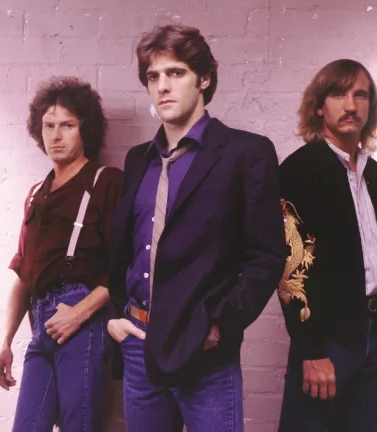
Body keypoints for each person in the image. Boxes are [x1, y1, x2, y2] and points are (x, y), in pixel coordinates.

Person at [106, 24, 286, 432]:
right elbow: (123, 249)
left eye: (176, 73)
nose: (162, 86)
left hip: (203, 349)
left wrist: (218, 326)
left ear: (203, 78)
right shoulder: (137, 159)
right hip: (137, 342)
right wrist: (116, 318)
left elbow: (267, 256)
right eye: (153, 76)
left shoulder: (247, 153)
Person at [277, 59, 377, 432]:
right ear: (320, 106)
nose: (350, 105)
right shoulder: (298, 171)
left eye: (360, 95)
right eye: (338, 94)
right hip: (327, 342)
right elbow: (289, 271)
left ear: (371, 107)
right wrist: (311, 350)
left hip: (376, 339)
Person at [0, 76, 122, 432]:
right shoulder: (37, 192)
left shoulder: (106, 181)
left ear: (85, 130)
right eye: (48, 126)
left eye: (67, 125)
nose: (56, 135)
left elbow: (123, 267)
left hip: (84, 322)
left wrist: (79, 313)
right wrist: (5, 342)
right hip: (41, 323)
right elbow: (23, 275)